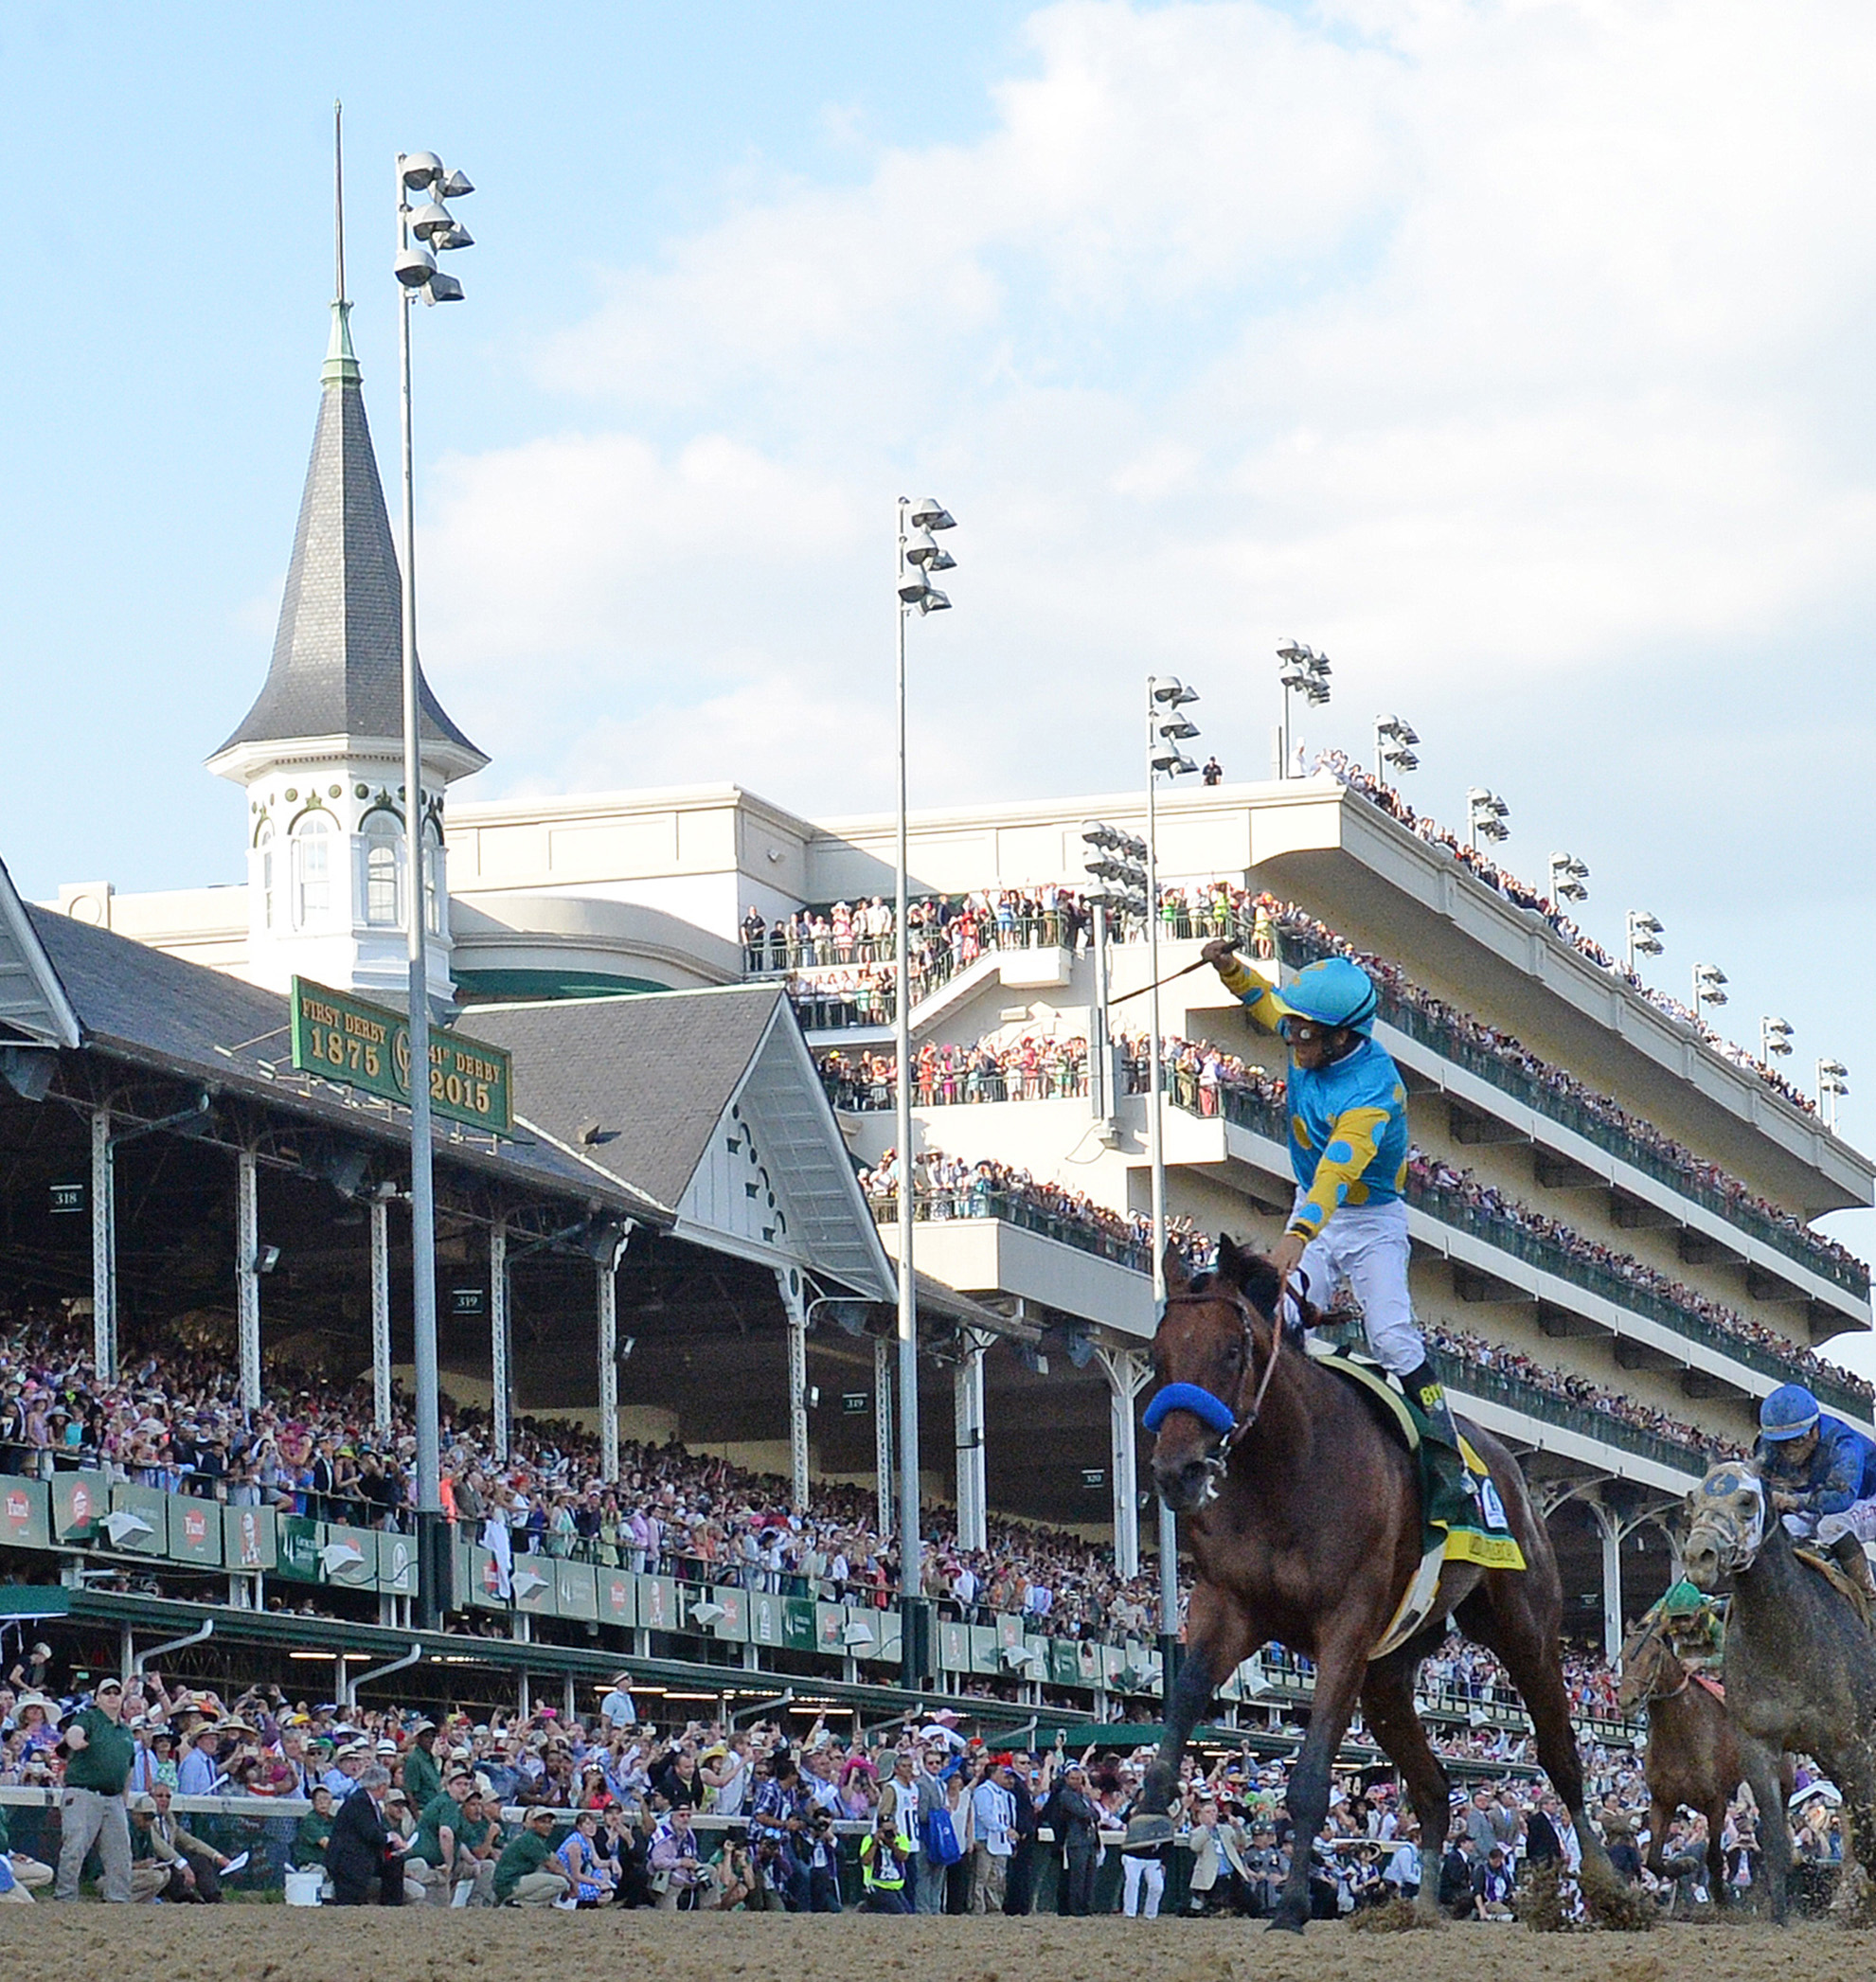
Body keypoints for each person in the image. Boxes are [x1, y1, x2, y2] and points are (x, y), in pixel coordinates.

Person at [1198, 944, 1468, 1471]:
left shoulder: (1373, 1093)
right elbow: (1266, 1002)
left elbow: (1335, 1176)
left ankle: (1446, 1448)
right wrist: (1230, 969)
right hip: (1313, 1206)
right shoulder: (1315, 1033)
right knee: (1276, 1316)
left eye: (1304, 1034)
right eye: (1294, 1029)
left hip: (1368, 1220)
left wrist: (1294, 1243)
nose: (1292, 1039)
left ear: (1342, 1036)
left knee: (1389, 1335)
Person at [1755, 1383, 1876, 1603]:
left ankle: (1869, 1597)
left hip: (1865, 1496)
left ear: (1813, 1430)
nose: (1788, 1451)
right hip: (1822, 1497)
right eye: (1779, 1444)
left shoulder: (1844, 1444)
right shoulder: (1767, 1447)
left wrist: (1794, 1500)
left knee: (1831, 1526)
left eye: (1796, 1440)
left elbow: (1842, 1498)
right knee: (1787, 1528)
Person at [55, 1674, 135, 1902]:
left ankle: (118, 1899)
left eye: (116, 1693)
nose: (111, 1697)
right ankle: (65, 1897)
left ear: (121, 1698)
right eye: (106, 1693)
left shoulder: (126, 1733)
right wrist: (76, 1741)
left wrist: (124, 1800)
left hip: (113, 1798)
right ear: (97, 1699)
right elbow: (73, 1732)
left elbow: (128, 1769)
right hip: (83, 1793)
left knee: (120, 1854)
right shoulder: (88, 1717)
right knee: (75, 1847)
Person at [127, 1786, 232, 1902]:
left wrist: (217, 1856)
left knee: (200, 1860)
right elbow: (162, 1848)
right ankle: (188, 1900)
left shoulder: (169, 1820)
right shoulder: (145, 1822)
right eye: (159, 1796)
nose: (164, 1800)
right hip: (153, 1866)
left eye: (168, 1796)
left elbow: (189, 1841)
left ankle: (214, 1898)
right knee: (169, 1866)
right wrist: (183, 1866)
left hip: (168, 1864)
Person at [327, 1764, 406, 1906]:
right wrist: (390, 1838)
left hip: (360, 1858)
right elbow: (370, 1833)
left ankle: (391, 1905)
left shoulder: (366, 1801)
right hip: (349, 1862)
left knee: (394, 1864)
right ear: (381, 1787)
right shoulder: (360, 1802)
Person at [494, 1805, 574, 1907]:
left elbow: (554, 1859)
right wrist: (571, 1882)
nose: (548, 1826)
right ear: (534, 1823)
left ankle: (529, 1904)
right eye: (543, 1822)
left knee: (554, 1879)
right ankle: (519, 1904)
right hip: (510, 1883)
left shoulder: (537, 1839)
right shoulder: (529, 1839)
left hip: (515, 1881)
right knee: (561, 1883)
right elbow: (552, 1866)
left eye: (549, 1822)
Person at [860, 1810, 910, 1912]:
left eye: (891, 1830)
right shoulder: (869, 1840)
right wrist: (875, 1844)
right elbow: (866, 1861)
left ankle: (868, 1907)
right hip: (877, 1885)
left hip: (896, 1887)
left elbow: (903, 1857)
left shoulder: (901, 1839)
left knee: (908, 1911)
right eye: (885, 1831)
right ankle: (869, 1905)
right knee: (899, 1913)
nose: (889, 1834)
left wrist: (891, 1844)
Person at [1472, 1841, 1515, 1920]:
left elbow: (1510, 1885)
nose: (1498, 1864)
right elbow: (1477, 1891)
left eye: (1500, 1861)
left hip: (1504, 1899)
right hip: (1490, 1901)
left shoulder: (1504, 1870)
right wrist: (1482, 1909)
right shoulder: (1482, 1870)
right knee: (1505, 1912)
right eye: (1495, 1861)